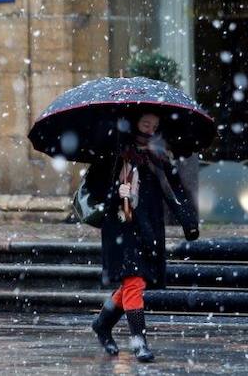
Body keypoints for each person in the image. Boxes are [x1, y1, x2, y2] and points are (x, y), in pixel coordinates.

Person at [85, 111, 200, 363]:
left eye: (155, 125)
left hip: (148, 226)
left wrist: (188, 222)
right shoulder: (115, 151)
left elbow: (175, 190)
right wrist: (116, 191)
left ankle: (102, 323)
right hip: (121, 225)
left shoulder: (158, 154)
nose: (150, 129)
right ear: (135, 122)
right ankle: (140, 343)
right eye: (146, 123)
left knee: (133, 283)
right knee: (134, 281)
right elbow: (94, 188)